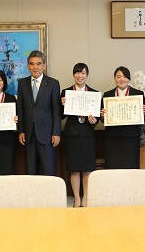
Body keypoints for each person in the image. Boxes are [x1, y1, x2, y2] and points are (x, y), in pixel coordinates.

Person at [17, 50, 61, 176]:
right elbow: (21, 108)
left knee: (48, 169)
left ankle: (49, 196)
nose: (35, 67)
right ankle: (33, 196)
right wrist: (21, 130)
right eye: (32, 64)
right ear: (27, 66)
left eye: (38, 64)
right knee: (31, 170)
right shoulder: (22, 83)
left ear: (44, 65)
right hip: (29, 134)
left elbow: (56, 110)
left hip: (47, 134)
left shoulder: (53, 83)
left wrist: (56, 132)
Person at [61, 63, 99, 207]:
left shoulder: (94, 93)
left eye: (83, 73)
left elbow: (97, 119)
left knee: (87, 169)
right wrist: (62, 105)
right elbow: (60, 116)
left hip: (87, 135)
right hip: (72, 135)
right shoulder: (66, 93)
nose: (80, 76)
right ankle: (77, 198)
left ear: (87, 75)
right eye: (77, 73)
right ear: (73, 75)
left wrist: (94, 121)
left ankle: (86, 198)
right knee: (74, 169)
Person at [100, 66, 145, 169]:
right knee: (113, 168)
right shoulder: (107, 95)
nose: (122, 79)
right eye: (119, 76)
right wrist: (102, 115)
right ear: (115, 78)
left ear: (129, 79)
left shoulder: (138, 94)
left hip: (131, 138)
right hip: (112, 138)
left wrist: (144, 112)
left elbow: (144, 117)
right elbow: (102, 118)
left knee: (131, 167)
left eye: (125, 77)